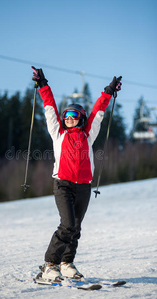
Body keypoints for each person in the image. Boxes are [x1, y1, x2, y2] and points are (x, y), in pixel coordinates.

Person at [31, 66, 122, 281]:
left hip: (83, 186)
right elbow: (50, 108)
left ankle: (67, 263)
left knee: (76, 228)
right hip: (63, 184)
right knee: (67, 225)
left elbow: (98, 113)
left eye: (73, 115)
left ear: (80, 118)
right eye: (66, 116)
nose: (69, 118)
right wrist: (43, 85)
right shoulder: (58, 133)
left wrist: (108, 91)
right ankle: (49, 264)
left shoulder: (88, 133)